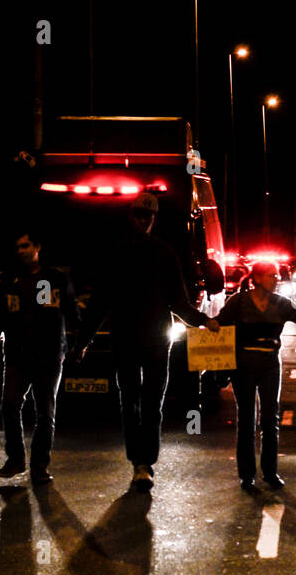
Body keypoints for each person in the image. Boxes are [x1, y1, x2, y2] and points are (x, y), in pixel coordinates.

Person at [70, 192, 220, 493]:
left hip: (150, 340)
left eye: (148, 216)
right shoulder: (123, 253)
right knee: (132, 402)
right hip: (130, 339)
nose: (143, 220)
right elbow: (100, 303)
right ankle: (139, 462)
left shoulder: (163, 253)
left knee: (150, 403)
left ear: (154, 219)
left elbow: (179, 302)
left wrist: (205, 321)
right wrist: (82, 341)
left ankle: (144, 463)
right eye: (139, 214)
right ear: (131, 216)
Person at [218, 260, 296, 492]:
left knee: (270, 420)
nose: (276, 279)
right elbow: (218, 324)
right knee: (247, 420)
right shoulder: (238, 302)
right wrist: (202, 327)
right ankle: (247, 476)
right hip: (243, 368)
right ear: (256, 278)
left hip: (269, 366)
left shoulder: (281, 304)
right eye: (270, 276)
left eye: (277, 276)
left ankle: (270, 472)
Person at [0, 229, 79, 485]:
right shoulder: (10, 281)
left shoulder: (57, 279)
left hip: (49, 357)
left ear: (37, 247)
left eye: (26, 246)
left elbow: (73, 316)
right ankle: (15, 459)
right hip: (17, 356)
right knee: (10, 405)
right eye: (18, 247)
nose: (21, 251)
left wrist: (78, 345)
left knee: (45, 414)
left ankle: (39, 467)